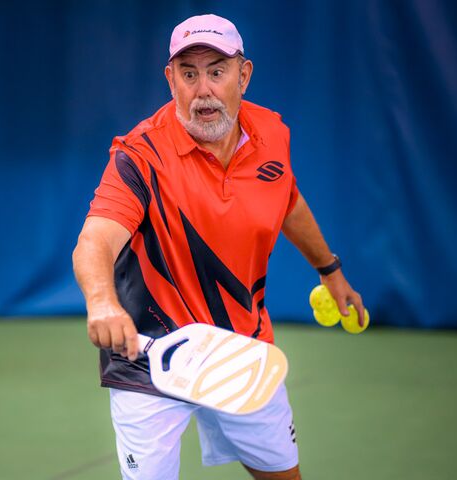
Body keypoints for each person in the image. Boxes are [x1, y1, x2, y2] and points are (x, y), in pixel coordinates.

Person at [72, 13, 365, 480]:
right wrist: (102, 302)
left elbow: (287, 200)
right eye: (188, 74)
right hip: (149, 358)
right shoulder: (140, 155)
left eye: (216, 71)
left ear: (243, 75)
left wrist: (331, 272)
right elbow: (96, 238)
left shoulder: (271, 134)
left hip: (240, 349)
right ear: (171, 80)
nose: (202, 89)